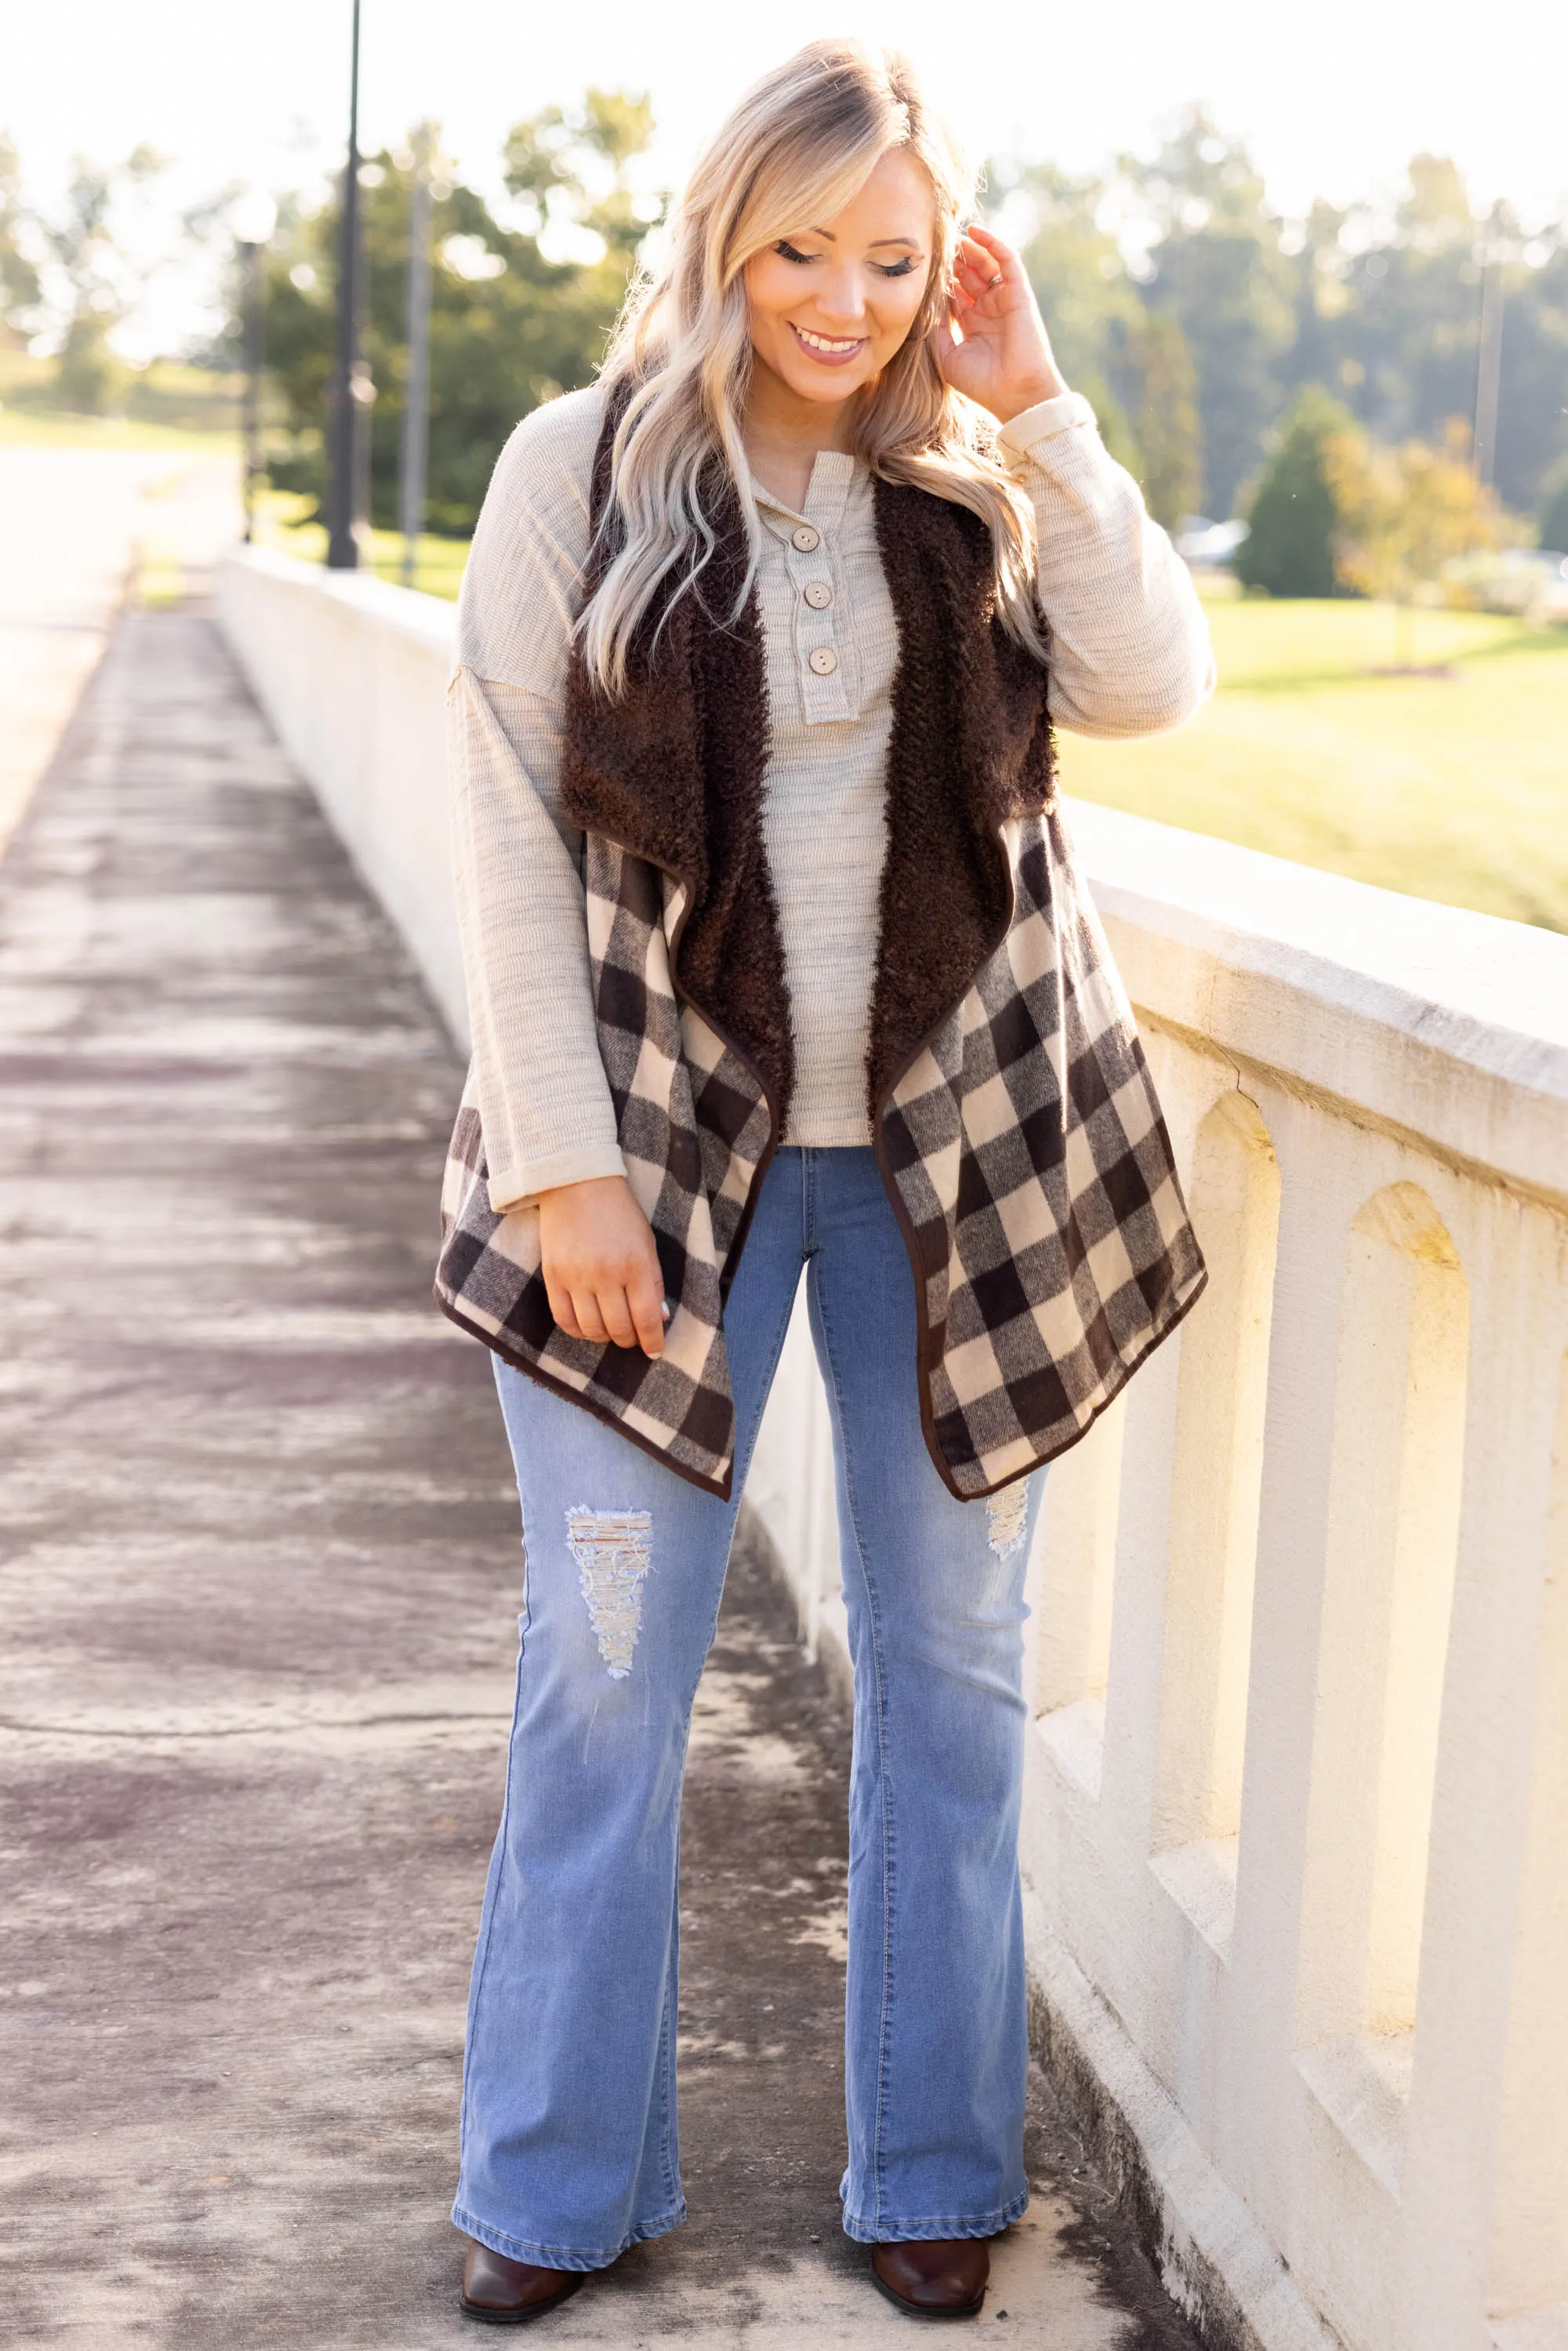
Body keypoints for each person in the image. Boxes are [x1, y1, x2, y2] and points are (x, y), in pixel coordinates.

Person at [434, 36, 1212, 2326]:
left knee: (957, 1679)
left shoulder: (974, 482)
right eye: (799, 249)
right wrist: (568, 1168)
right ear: (721, 235)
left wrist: (1041, 399)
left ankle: (935, 2159)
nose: (843, 300)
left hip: (947, 1172)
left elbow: (1154, 684)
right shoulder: (578, 471)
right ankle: (554, 2181)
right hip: (650, 1167)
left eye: (892, 256)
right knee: (601, 1676)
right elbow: (495, 809)